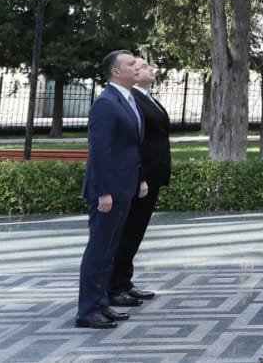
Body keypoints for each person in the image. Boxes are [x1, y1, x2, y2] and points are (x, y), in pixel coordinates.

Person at [75, 49, 147, 330]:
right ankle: (87, 310)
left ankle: (101, 303)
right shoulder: (106, 102)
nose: (136, 68)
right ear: (116, 72)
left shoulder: (127, 99)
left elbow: (131, 148)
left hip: (124, 187)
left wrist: (139, 178)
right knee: (98, 250)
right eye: (131, 64)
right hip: (108, 191)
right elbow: (100, 152)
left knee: (110, 250)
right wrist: (103, 191)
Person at [109, 55, 170, 307]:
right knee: (127, 232)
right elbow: (136, 142)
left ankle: (124, 282)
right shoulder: (131, 99)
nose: (147, 69)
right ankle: (113, 287)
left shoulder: (146, 98)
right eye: (141, 67)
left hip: (152, 175)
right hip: (139, 178)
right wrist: (141, 176)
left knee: (135, 232)